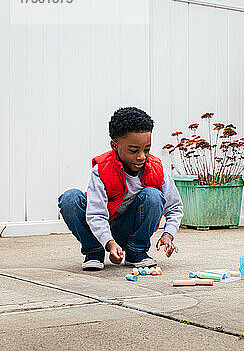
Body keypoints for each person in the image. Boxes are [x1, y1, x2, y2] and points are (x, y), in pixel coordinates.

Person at [58, 107, 183, 270]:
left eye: (147, 149)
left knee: (153, 195)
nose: (141, 156)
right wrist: (109, 243)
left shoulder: (156, 169)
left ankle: (136, 252)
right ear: (114, 145)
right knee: (70, 198)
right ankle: (94, 252)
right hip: (99, 230)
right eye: (133, 150)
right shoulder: (102, 170)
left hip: (129, 228)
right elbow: (96, 213)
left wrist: (168, 234)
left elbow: (174, 207)